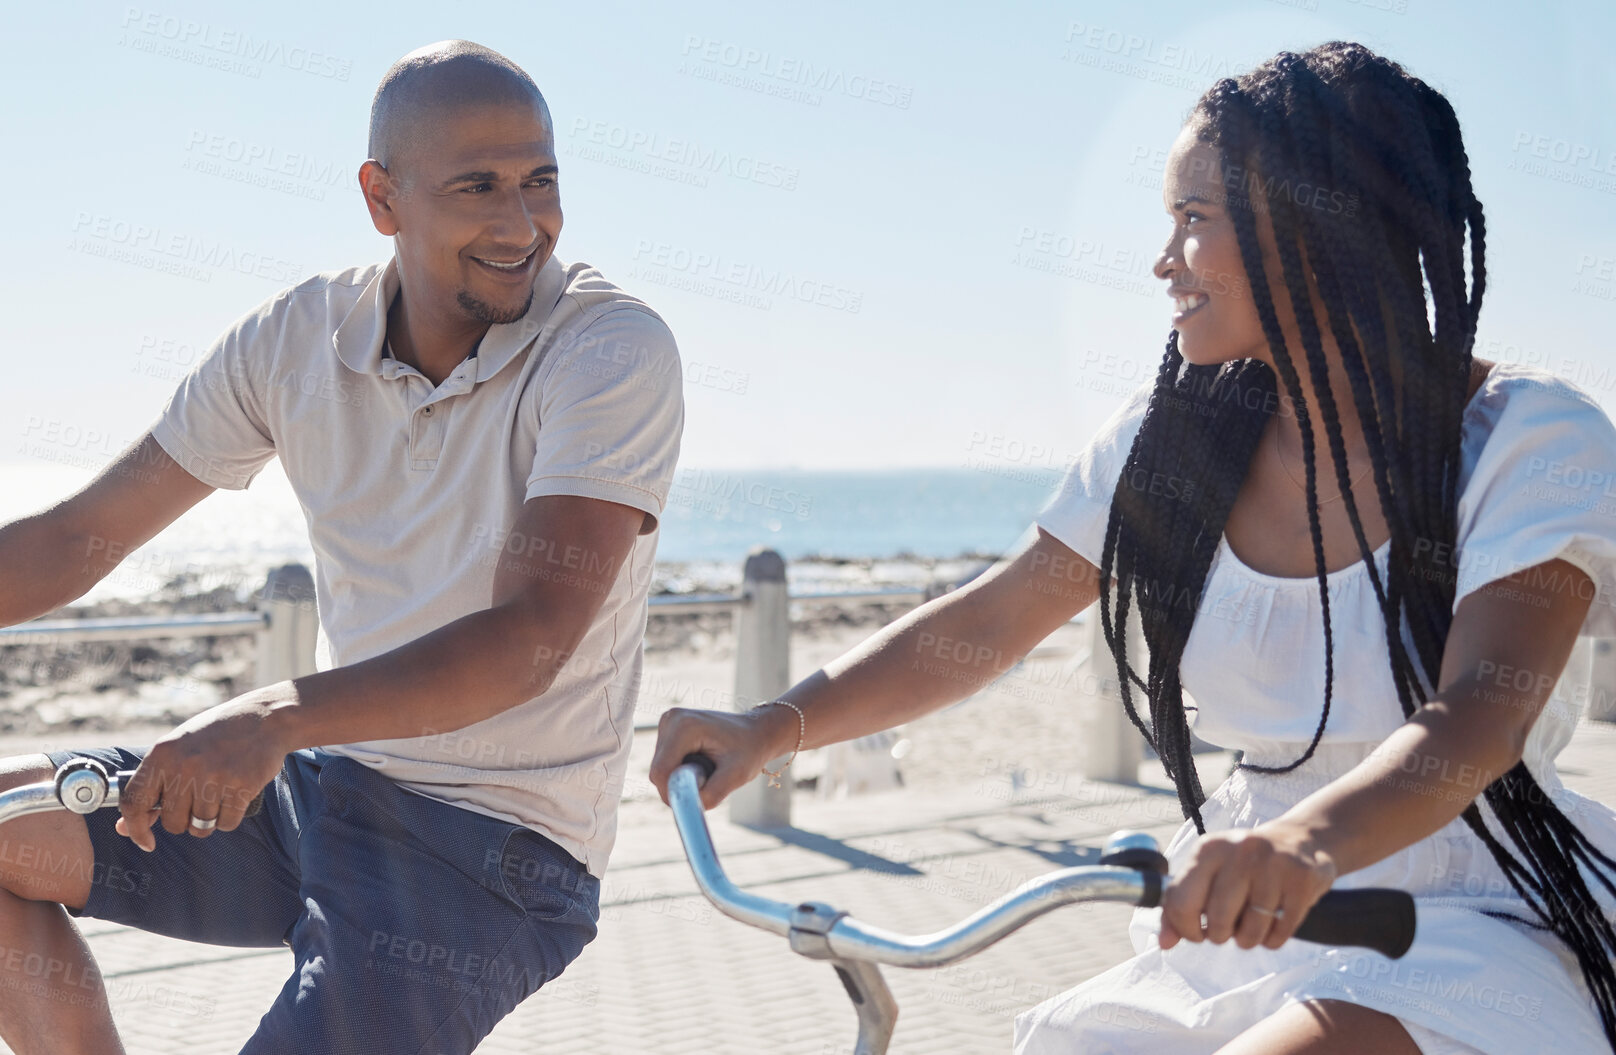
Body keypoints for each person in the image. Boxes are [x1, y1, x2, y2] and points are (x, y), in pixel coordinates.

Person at [650, 42, 1616, 1055]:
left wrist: (1303, 842)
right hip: (1240, 913)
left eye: (1193, 222)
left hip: (1462, 920)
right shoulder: (1177, 441)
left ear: (1312, 227)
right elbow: (988, 621)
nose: (1164, 262)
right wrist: (771, 724)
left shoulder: (1524, 435)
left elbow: (1480, 715)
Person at [0, 40, 683, 1055]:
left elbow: (530, 640)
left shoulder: (608, 348)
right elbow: (77, 535)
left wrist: (270, 715)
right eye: (477, 186)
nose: (520, 221)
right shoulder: (296, 339)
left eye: (541, 180)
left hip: (496, 853)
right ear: (383, 197)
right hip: (324, 785)